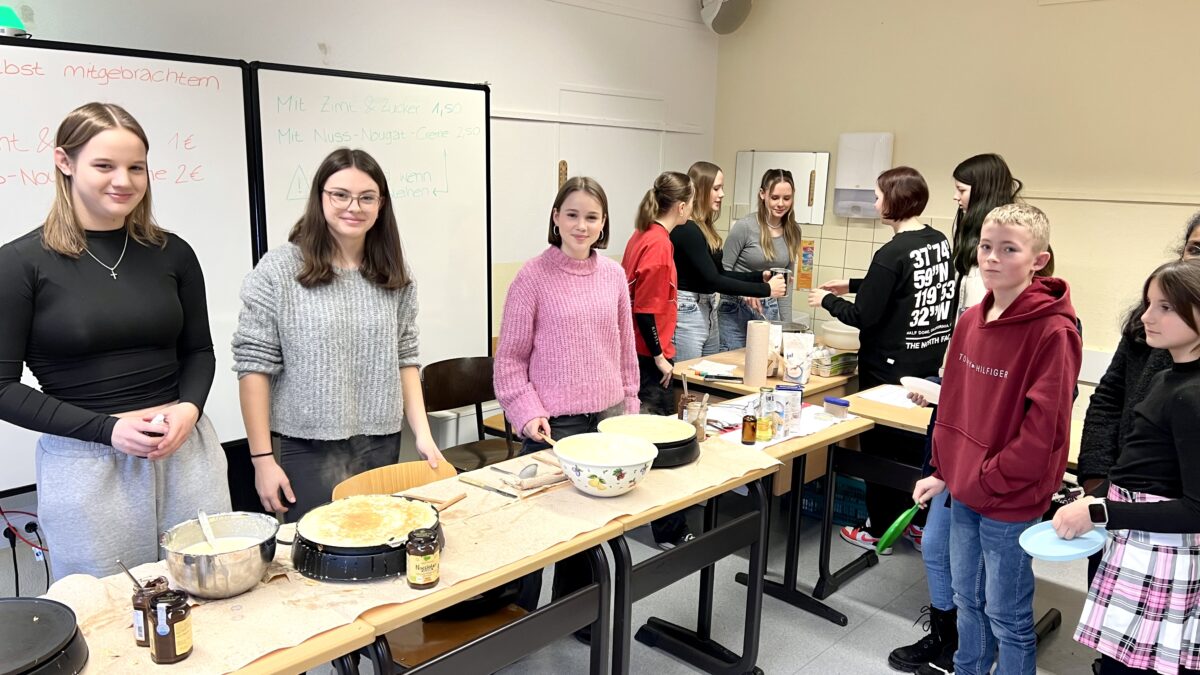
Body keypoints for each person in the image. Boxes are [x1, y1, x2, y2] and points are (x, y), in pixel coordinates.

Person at [0, 102, 230, 579]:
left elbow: (198, 352)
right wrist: (109, 431)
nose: (122, 181)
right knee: (108, 611)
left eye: (136, 167)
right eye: (104, 165)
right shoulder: (21, 263)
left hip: (186, 451)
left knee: (213, 588)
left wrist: (189, 409)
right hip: (87, 463)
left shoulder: (173, 253)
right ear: (65, 162)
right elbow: (1, 387)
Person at [914, 203, 1082, 675]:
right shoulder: (970, 320)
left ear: (1038, 261)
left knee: (1005, 613)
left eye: (1008, 250)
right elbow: (955, 405)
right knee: (967, 600)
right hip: (966, 489)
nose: (991, 258)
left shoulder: (1054, 331)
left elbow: (1044, 429)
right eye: (986, 247)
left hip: (1010, 498)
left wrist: (989, 475)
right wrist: (944, 472)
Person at [233, 148, 444, 523]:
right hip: (308, 447)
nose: (354, 206)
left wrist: (424, 436)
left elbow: (405, 358)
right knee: (320, 556)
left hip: (382, 441)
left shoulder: (392, 273)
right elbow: (253, 367)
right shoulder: (279, 271)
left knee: (379, 541)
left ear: (381, 204)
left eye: (367, 197)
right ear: (320, 198)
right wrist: (262, 460)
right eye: (340, 195)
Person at [888, 153, 1024, 675]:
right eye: (987, 249)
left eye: (962, 189)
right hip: (955, 408)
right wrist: (943, 391)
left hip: (982, 436)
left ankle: (970, 643)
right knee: (940, 542)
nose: (956, 198)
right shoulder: (963, 252)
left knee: (971, 559)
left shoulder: (1042, 326)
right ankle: (952, 638)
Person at [493, 176, 639, 622]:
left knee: (592, 533)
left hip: (609, 422)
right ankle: (514, 625)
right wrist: (526, 412)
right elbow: (509, 362)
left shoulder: (614, 274)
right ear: (555, 218)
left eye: (591, 217)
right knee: (536, 536)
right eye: (571, 214)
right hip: (556, 427)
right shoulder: (532, 276)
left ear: (604, 223)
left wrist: (630, 412)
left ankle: (575, 617)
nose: (581, 225)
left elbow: (625, 351)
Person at [1057, 259, 1200, 675]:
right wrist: (1096, 493)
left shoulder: (1192, 397)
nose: (1146, 317)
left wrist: (1100, 511)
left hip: (1163, 553)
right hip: (1135, 542)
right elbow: (1139, 463)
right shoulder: (1165, 377)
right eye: (1148, 303)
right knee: (1120, 662)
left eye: (1165, 307)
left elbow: (1196, 509)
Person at [809, 166, 954, 554]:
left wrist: (828, 300)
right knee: (914, 452)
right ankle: (917, 523)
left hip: (888, 369)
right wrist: (855, 285)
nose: (874, 203)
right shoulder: (938, 241)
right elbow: (905, 287)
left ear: (895, 201)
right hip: (927, 363)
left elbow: (864, 316)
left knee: (879, 453)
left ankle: (879, 529)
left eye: (878, 196)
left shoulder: (891, 252)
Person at [621, 170, 696, 549]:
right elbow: (645, 310)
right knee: (663, 445)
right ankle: (671, 531)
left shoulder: (642, 235)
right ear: (682, 206)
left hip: (637, 353)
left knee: (644, 438)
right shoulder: (659, 245)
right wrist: (661, 357)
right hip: (646, 357)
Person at [671, 161, 785, 361]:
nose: (722, 194)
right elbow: (713, 280)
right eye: (716, 188)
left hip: (706, 308)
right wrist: (766, 290)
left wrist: (759, 277)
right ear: (700, 190)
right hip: (688, 310)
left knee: (706, 374)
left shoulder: (705, 228)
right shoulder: (687, 229)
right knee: (687, 379)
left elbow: (720, 273)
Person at [719, 169, 804, 350]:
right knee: (733, 367)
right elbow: (721, 272)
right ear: (762, 194)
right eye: (775, 197)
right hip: (735, 308)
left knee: (765, 366)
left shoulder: (793, 231)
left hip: (769, 309)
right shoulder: (745, 227)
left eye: (786, 198)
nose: (781, 204)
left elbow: (785, 288)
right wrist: (744, 292)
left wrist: (787, 329)